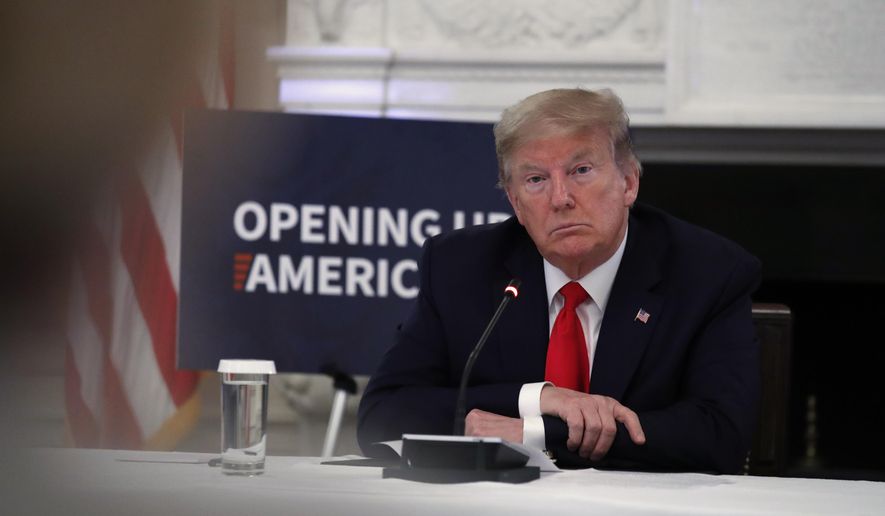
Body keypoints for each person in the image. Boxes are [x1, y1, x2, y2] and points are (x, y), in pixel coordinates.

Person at [356, 88, 760, 473]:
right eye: (536, 180)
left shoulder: (707, 272)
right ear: (515, 202)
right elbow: (383, 415)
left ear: (629, 183)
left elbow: (720, 434)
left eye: (581, 170)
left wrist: (538, 432)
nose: (560, 198)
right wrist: (539, 399)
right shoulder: (460, 267)